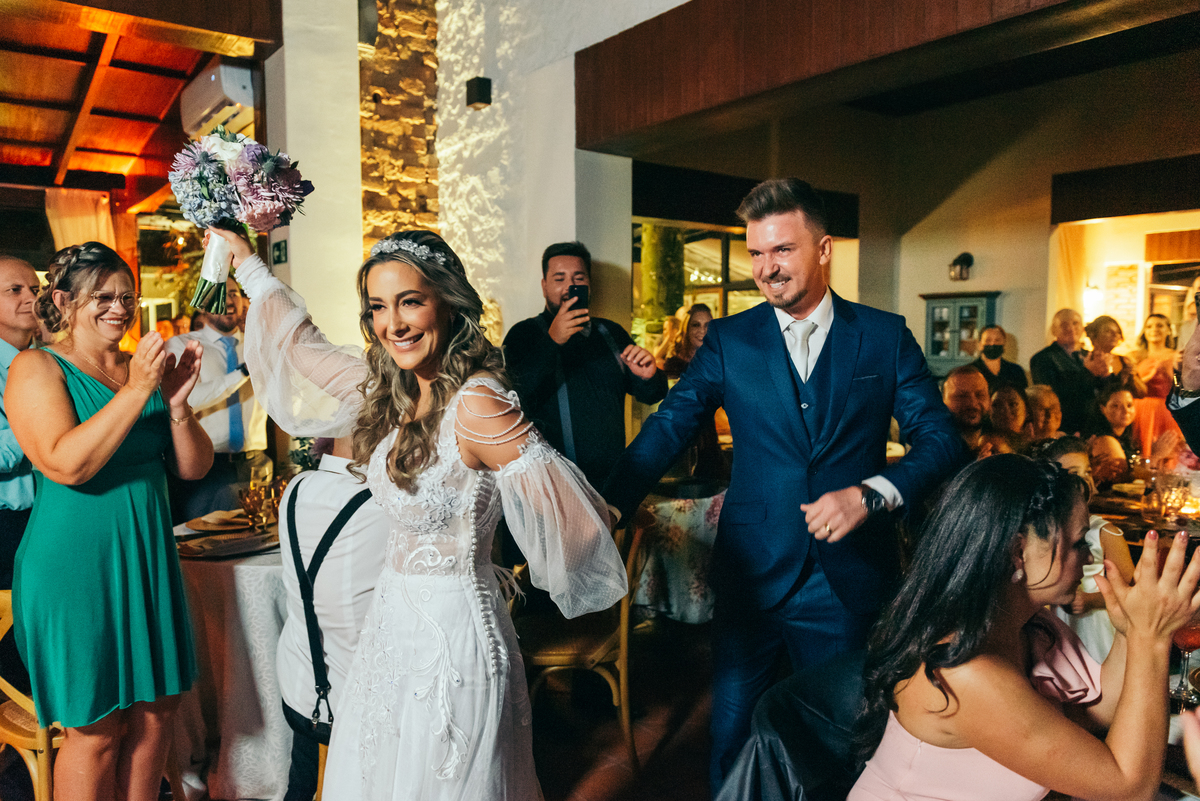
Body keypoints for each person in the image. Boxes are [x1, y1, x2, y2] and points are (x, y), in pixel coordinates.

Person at [210, 227, 628, 800]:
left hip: (457, 641)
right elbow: (305, 348)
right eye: (378, 307)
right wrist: (250, 267)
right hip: (389, 632)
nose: (394, 323)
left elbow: (585, 524)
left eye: (410, 301)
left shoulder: (478, 404)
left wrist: (492, 569)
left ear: (448, 303)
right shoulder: (396, 393)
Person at [602, 178, 964, 792]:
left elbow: (941, 442)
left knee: (842, 741)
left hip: (846, 580)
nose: (767, 269)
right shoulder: (728, 340)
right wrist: (606, 502)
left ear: (822, 249)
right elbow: (669, 425)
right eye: (758, 253)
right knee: (734, 739)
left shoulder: (883, 335)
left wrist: (871, 493)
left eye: (783, 251)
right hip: (751, 575)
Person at [851, 454, 1200, 801]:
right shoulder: (964, 673)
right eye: (1079, 542)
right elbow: (1129, 788)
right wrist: (1151, 638)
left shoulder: (1026, 625)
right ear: (1018, 551)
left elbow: (1099, 709)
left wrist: (1129, 631)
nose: (1090, 558)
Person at [5, 241, 211, 801]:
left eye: (127, 297)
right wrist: (142, 388)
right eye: (104, 297)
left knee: (155, 721)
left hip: (146, 557)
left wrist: (175, 405)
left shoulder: (141, 370)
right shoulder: (36, 367)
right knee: (96, 731)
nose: (119, 308)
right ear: (65, 301)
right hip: (74, 567)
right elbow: (67, 463)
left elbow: (193, 467)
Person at [276, 435, 390, 801]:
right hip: (363, 699)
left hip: (302, 685)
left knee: (303, 783)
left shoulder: (297, 487)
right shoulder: (387, 505)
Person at [502, 241, 666, 489]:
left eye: (578, 277)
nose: (570, 286)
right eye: (559, 278)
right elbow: (511, 396)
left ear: (589, 284)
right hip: (547, 486)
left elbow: (652, 394)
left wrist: (649, 376)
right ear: (544, 286)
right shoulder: (523, 334)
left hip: (609, 485)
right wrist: (553, 340)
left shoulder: (611, 333)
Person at [165, 276, 271, 522]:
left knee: (257, 544)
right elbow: (185, 400)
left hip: (255, 464)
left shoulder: (259, 347)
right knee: (204, 545)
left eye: (234, 293)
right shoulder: (183, 346)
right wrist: (242, 373)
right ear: (203, 305)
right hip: (207, 468)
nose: (230, 300)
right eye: (221, 294)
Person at [1032, 436, 1135, 661]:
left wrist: (1090, 600)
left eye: (1087, 471)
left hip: (1094, 627)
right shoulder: (1040, 533)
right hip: (1052, 624)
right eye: (1073, 472)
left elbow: (1130, 590)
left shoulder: (1105, 532)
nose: (1084, 480)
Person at [0, 256, 40, 590]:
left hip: (49, 515)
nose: (31, 297)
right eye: (15, 290)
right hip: (6, 525)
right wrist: (45, 421)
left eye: (36, 289)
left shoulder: (49, 361)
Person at [1030, 308, 1095, 436]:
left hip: (1091, 427)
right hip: (1063, 428)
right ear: (1054, 330)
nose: (1071, 328)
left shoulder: (1090, 357)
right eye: (1064, 325)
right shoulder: (1042, 358)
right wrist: (1087, 372)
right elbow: (1053, 395)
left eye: (1075, 323)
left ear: (1082, 328)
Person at [1129, 313, 1182, 459]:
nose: (1154, 329)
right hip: (1138, 410)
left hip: (1166, 412)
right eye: (1149, 326)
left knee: (1168, 456)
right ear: (1144, 331)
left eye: (1160, 325)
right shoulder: (1134, 356)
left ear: (1168, 330)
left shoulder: (1176, 356)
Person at [1082, 315, 1146, 400]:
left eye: (1118, 332)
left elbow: (1141, 393)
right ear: (1094, 334)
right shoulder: (1084, 358)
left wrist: (1132, 376)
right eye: (1108, 331)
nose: (1114, 335)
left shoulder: (1124, 361)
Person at [942, 365, 992, 456]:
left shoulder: (997, 444)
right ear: (942, 402)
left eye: (980, 395)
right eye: (961, 396)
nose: (973, 403)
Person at [970, 324, 1027, 394]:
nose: (992, 344)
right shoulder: (970, 371)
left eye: (997, 340)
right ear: (980, 345)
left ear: (1004, 344)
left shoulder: (1016, 371)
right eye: (988, 340)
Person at [663, 303, 714, 379]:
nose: (702, 331)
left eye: (707, 325)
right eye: (696, 325)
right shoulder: (674, 364)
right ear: (686, 328)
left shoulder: (718, 359)